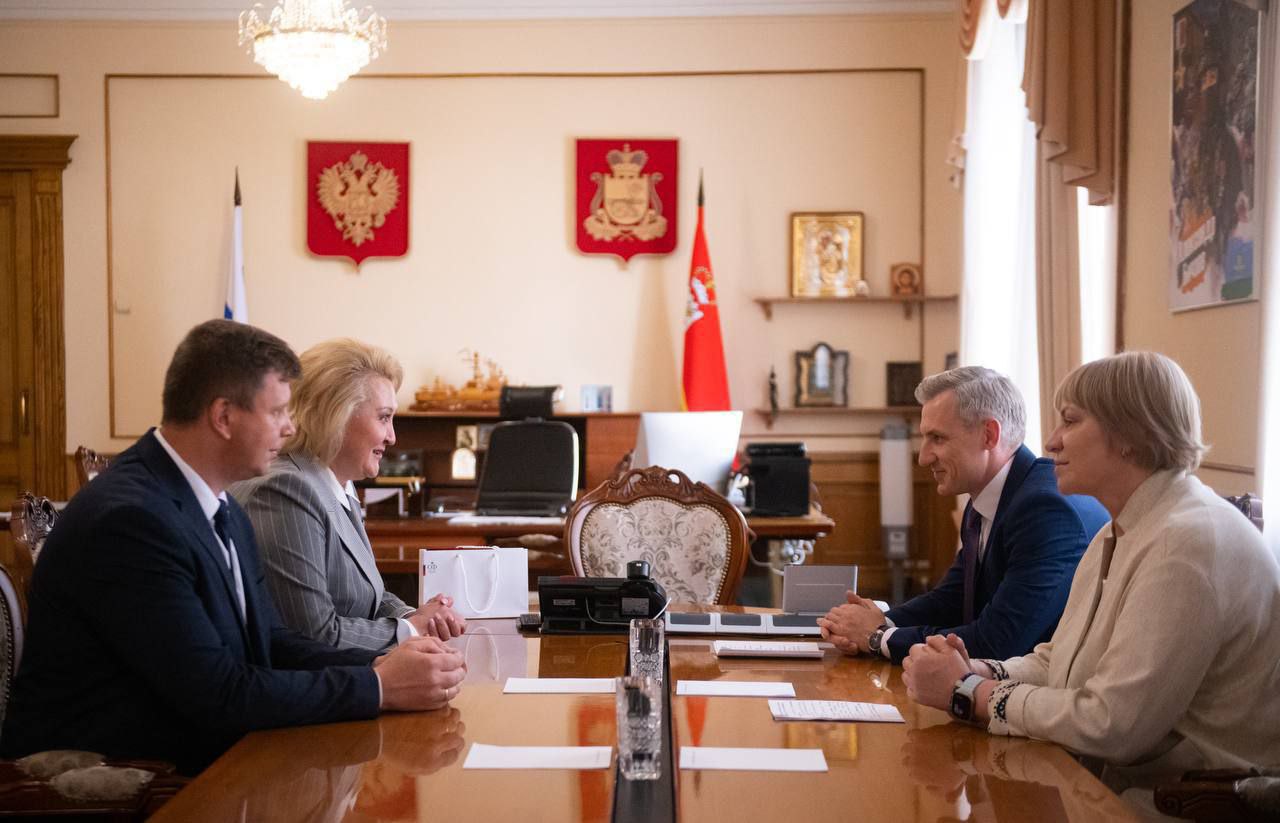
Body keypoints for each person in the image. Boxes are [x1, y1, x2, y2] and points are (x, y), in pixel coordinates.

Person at [1, 320, 466, 775]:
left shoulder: (218, 503)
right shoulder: (132, 520)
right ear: (223, 417)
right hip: (123, 770)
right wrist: (377, 686)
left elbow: (270, 642)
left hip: (203, 744)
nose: (291, 429)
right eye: (278, 412)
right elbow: (217, 696)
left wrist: (383, 662)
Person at [901, 351, 1280, 807]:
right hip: (1111, 786)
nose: (1051, 442)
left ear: (1130, 436)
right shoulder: (1121, 529)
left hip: (1182, 805)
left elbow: (1112, 725)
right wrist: (978, 670)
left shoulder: (1186, 544)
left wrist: (970, 693)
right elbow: (1058, 661)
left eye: (1070, 421)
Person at [819, 366, 1108, 663]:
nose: (923, 457)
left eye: (938, 438)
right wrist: (879, 620)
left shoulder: (1044, 510)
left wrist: (877, 637)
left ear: (989, 435)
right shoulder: (987, 496)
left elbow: (997, 643)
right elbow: (954, 599)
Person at [231, 338, 465, 652]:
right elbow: (314, 635)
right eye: (383, 417)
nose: (392, 437)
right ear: (336, 415)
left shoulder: (337, 484)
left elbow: (369, 596)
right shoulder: (285, 490)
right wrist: (411, 630)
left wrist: (414, 616)